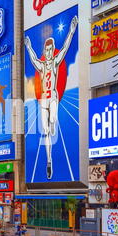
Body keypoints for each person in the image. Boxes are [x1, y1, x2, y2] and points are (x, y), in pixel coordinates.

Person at [25, 15, 78, 180]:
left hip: (53, 97)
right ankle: (49, 161)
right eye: (46, 50)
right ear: (44, 51)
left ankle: (53, 124)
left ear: (52, 50)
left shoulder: (55, 62)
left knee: (53, 121)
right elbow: (33, 58)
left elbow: (66, 48)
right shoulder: (41, 65)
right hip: (43, 100)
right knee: (46, 131)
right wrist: (28, 46)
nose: (48, 53)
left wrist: (72, 30)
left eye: (50, 50)